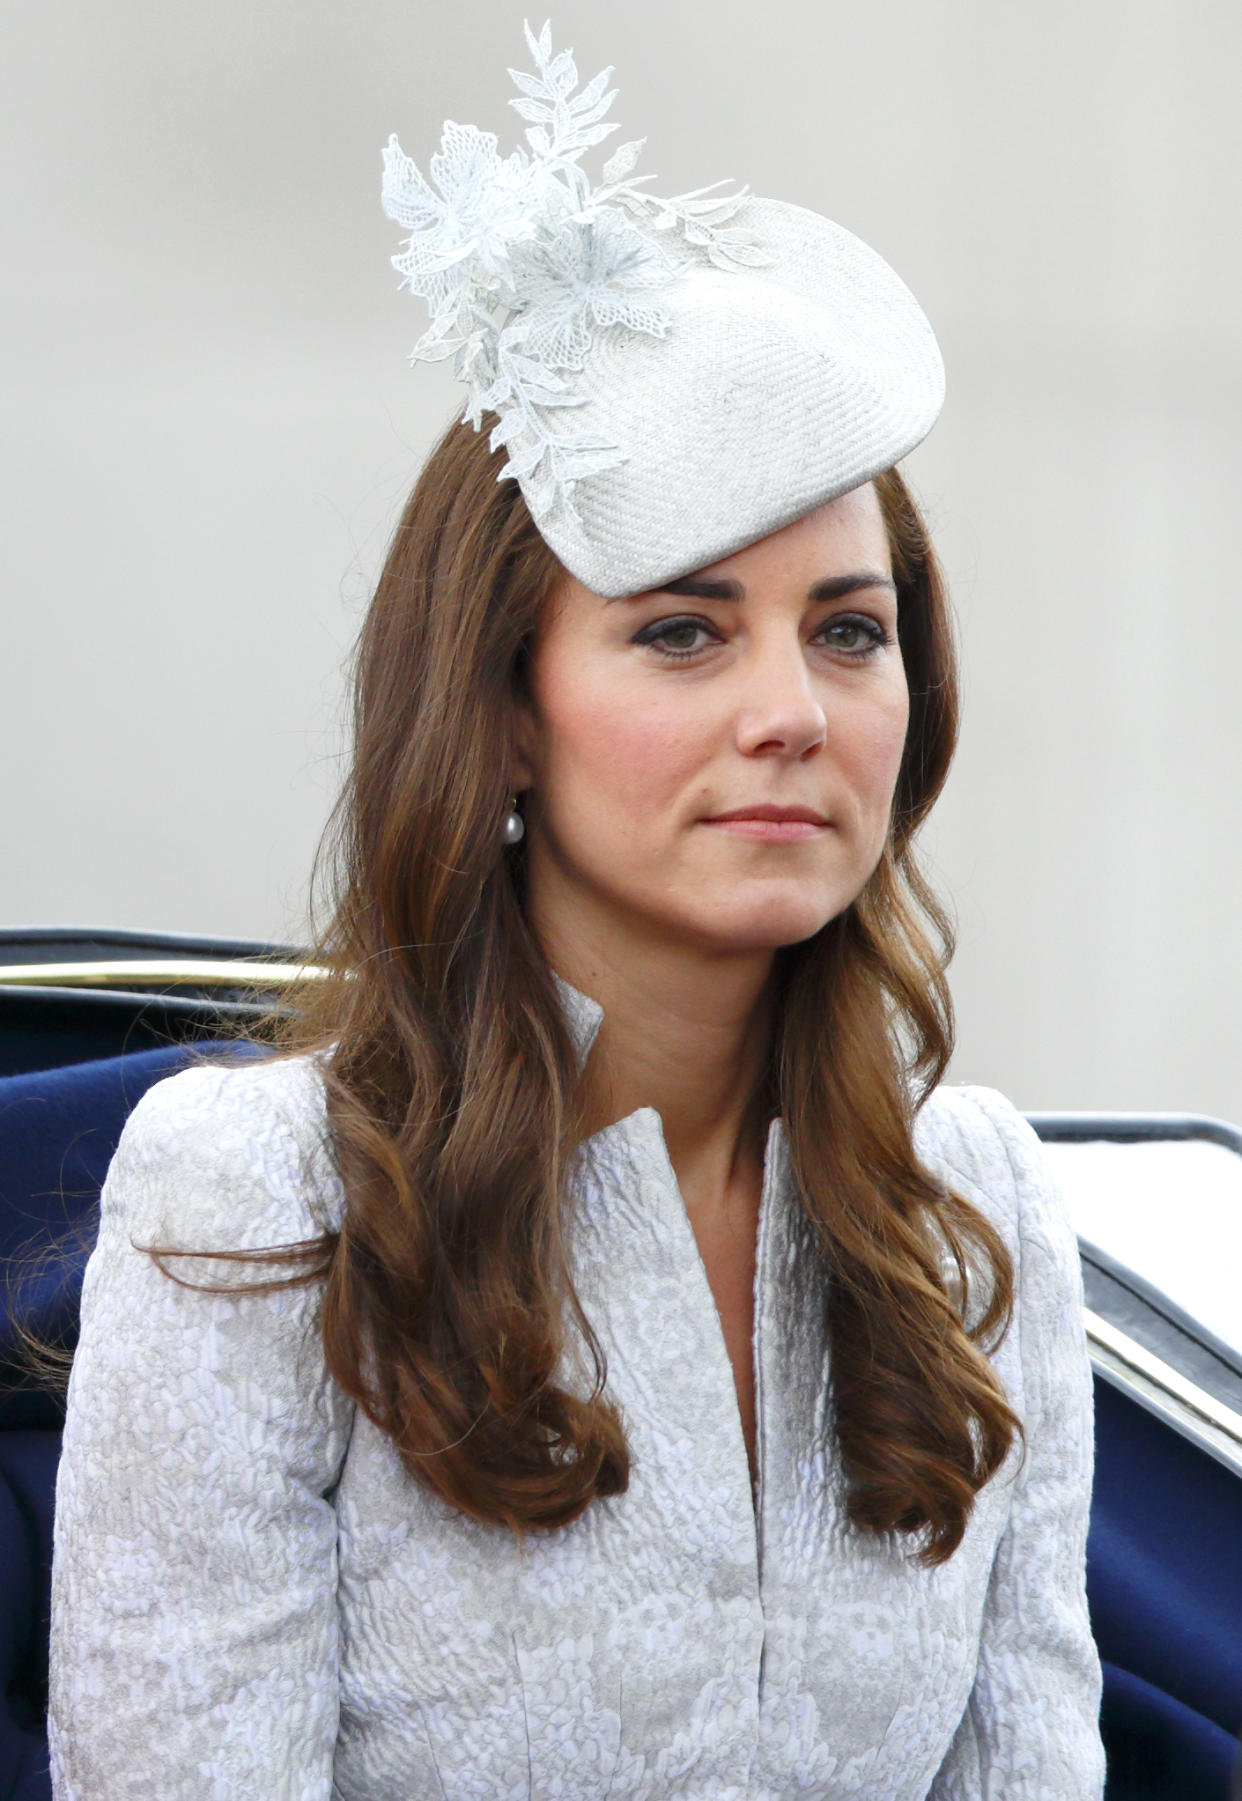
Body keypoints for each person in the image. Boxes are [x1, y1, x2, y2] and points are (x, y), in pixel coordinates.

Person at [48, 22, 1105, 1799]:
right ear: (501, 707)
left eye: (848, 630)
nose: (792, 707)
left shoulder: (974, 1206)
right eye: (680, 630)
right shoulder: (261, 1192)